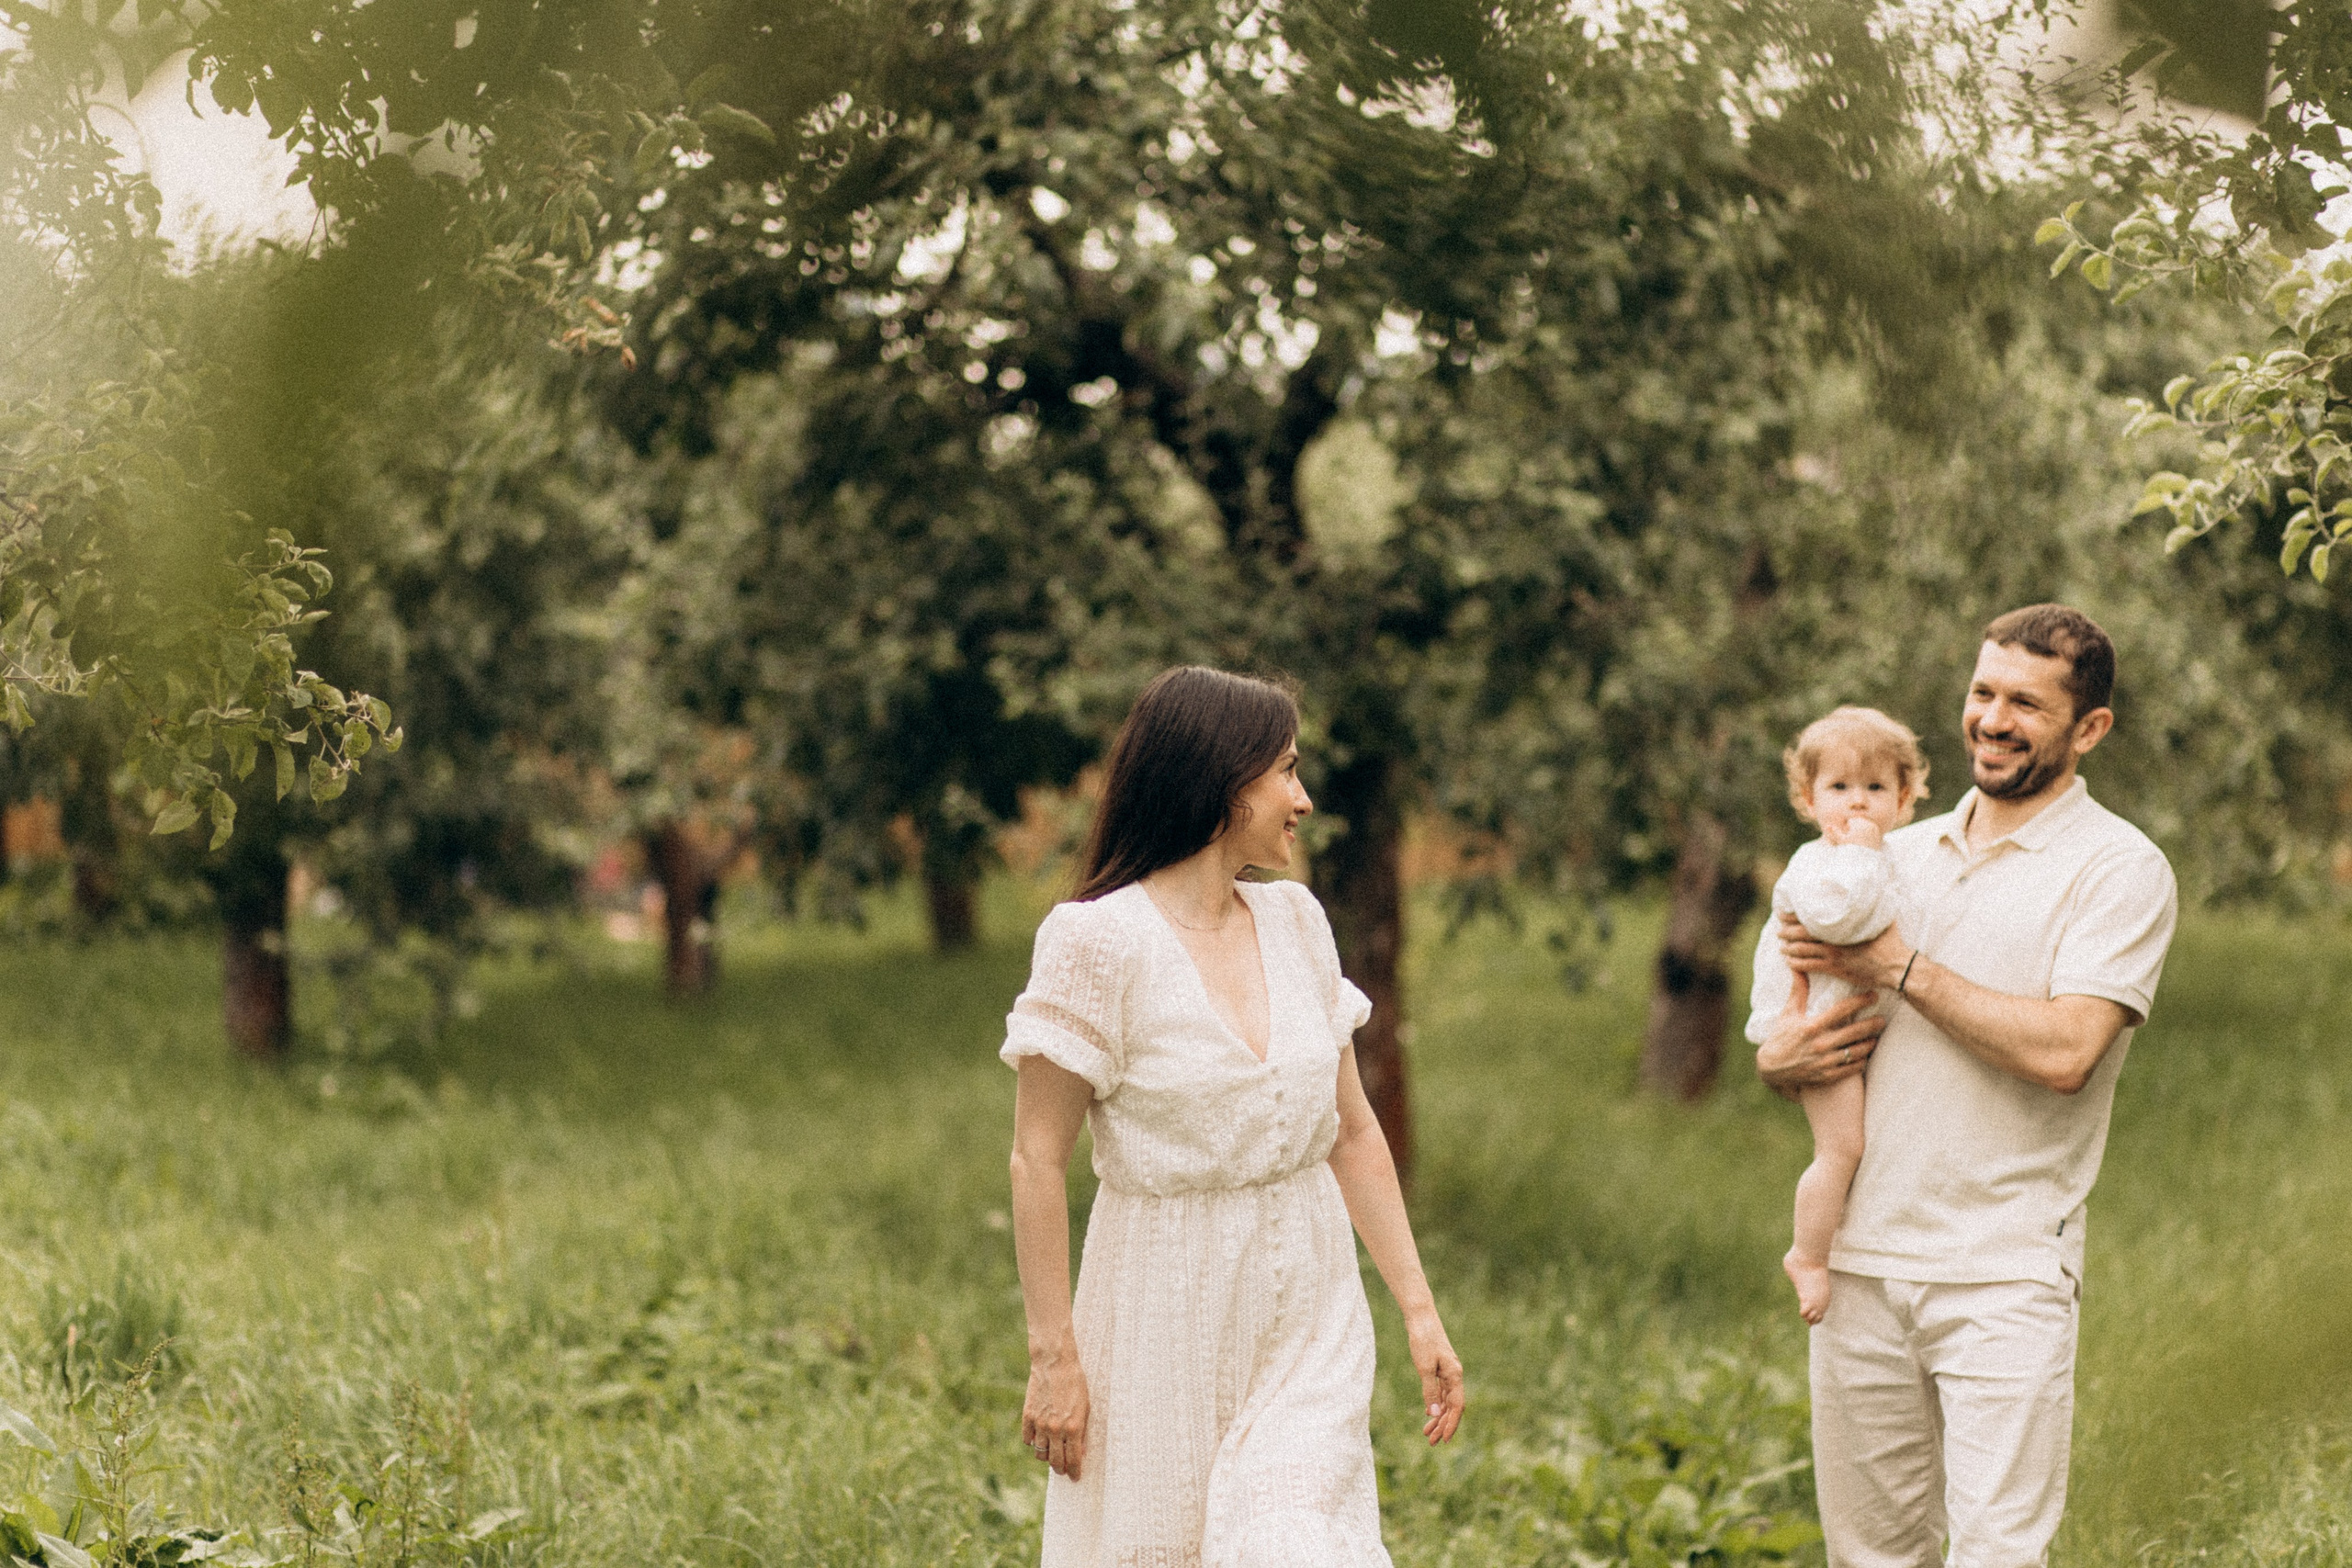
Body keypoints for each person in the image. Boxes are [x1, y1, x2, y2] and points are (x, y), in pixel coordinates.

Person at [1002, 666, 1465, 1567]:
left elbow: (1355, 1131)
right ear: (1220, 780)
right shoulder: (1098, 942)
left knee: (1296, 1544)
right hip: (1161, 1313)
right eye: (1285, 771)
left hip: (1307, 1306)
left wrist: (1418, 1309)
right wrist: (1053, 1355)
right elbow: (1035, 1159)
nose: (1302, 798)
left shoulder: (1296, 921)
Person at [1756, 605, 2178, 1566]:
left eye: (2025, 703)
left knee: (1998, 1555)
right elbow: (1788, 1016)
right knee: (1869, 1556)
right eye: (1982, 692)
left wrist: (1899, 965)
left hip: (2004, 1271)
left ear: (2089, 730)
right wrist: (1775, 1061)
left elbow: (2069, 1052)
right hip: (1856, 1264)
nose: (1992, 718)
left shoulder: (2118, 870)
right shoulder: (1876, 855)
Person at [1745, 707, 1929, 1325]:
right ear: (1808, 798)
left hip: (1844, 1017)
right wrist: (1861, 855)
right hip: (1819, 1024)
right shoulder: (1821, 862)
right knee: (1842, 1147)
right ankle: (1808, 1255)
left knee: (1857, 1140)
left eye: (1876, 789)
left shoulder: (1878, 857)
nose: (1858, 806)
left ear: (1904, 798)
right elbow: (1839, 921)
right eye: (1840, 789)